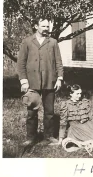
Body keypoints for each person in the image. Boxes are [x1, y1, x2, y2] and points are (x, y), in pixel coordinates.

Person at [17, 18, 64, 146]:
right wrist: (24, 81)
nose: (46, 29)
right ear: (36, 26)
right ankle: (31, 138)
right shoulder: (27, 42)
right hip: (32, 83)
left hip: (50, 81)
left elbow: (58, 62)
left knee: (49, 112)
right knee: (32, 112)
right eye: (43, 26)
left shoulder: (53, 42)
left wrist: (59, 78)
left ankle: (48, 137)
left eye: (47, 26)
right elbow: (21, 63)